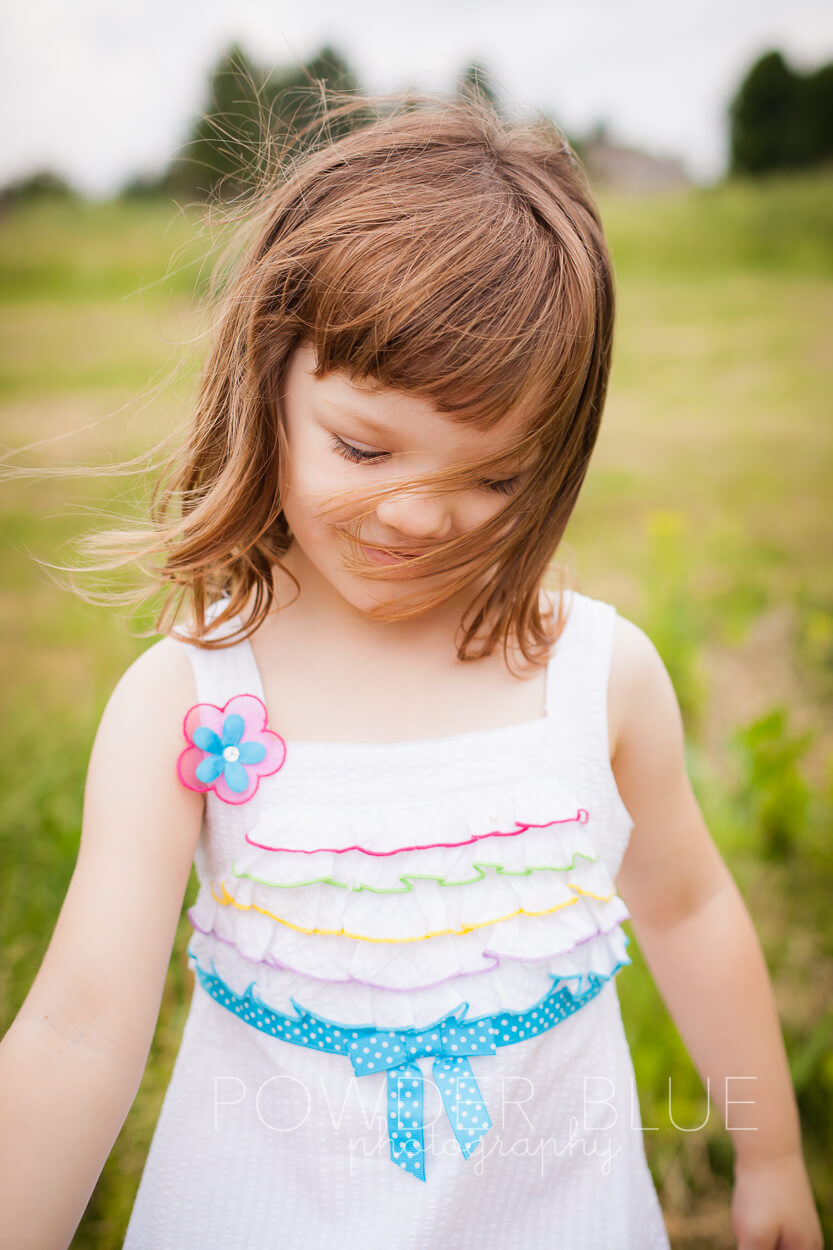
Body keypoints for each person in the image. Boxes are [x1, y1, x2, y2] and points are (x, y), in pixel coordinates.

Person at [0, 95, 822, 1250]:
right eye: (364, 446)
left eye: (493, 478)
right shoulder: (187, 702)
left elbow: (686, 907)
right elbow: (79, 1028)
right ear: (267, 378)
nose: (422, 511)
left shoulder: (595, 677)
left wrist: (772, 1150)